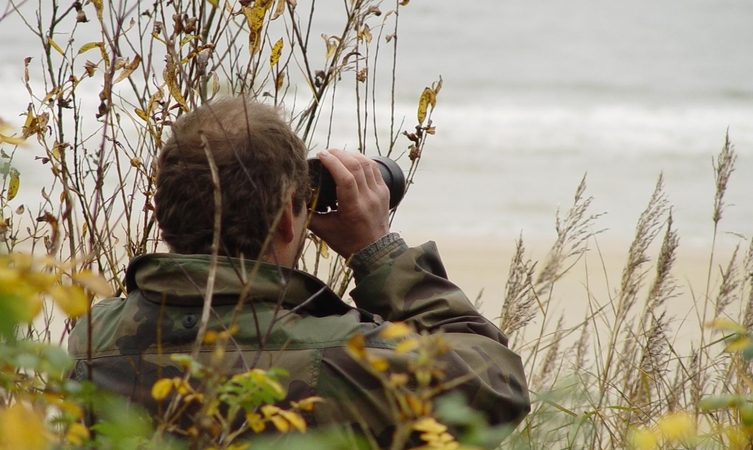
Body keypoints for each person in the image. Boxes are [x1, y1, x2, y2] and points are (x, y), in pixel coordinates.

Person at [68, 97, 529, 446]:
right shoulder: (345, 360)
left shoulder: (93, 343)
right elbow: (498, 386)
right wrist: (378, 252)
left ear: (166, 214)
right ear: (289, 220)